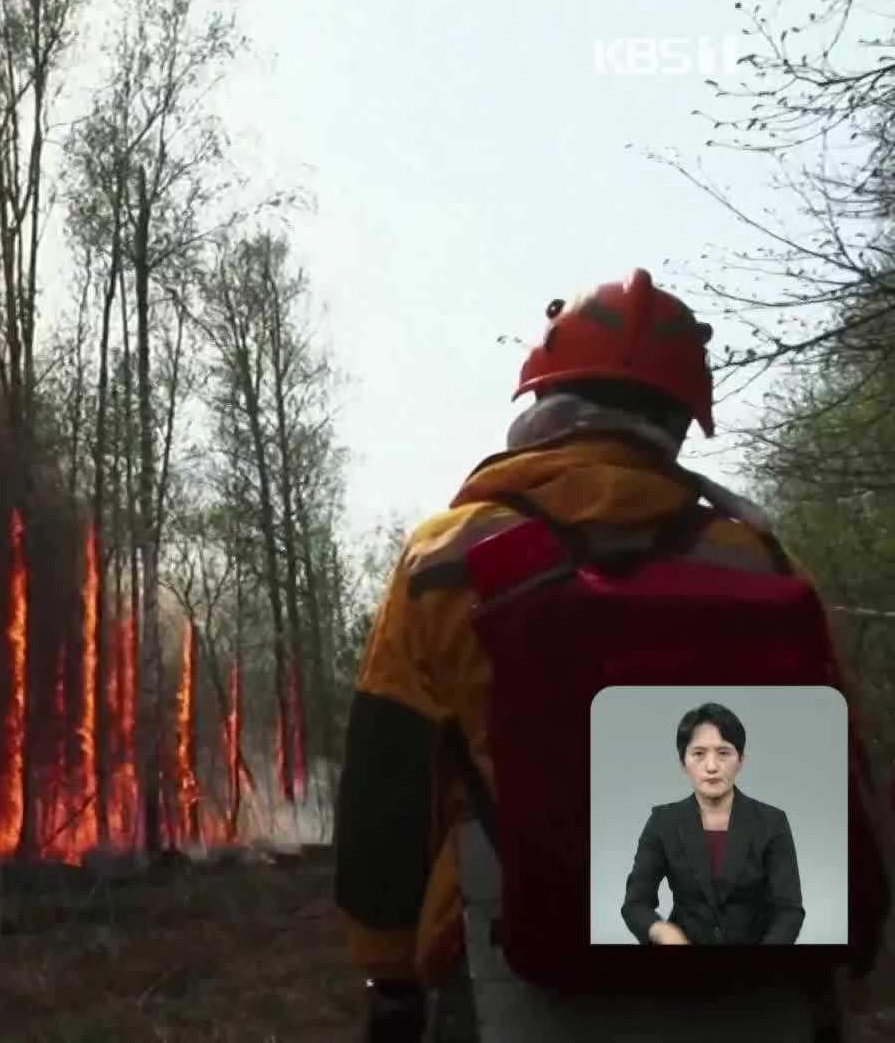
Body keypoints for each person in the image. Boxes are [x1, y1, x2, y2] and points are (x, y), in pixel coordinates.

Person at [332, 268, 889, 1041]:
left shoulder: (451, 557)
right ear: (680, 423)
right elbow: (848, 779)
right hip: (761, 992)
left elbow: (386, 793)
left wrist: (390, 982)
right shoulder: (759, 559)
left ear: (542, 404)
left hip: (521, 990)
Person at [621, 702, 804, 948]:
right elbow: (635, 904)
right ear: (682, 762)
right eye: (698, 753)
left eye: (723, 752)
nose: (711, 766)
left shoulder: (772, 822)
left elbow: (789, 910)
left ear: (741, 760)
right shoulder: (663, 822)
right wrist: (663, 932)